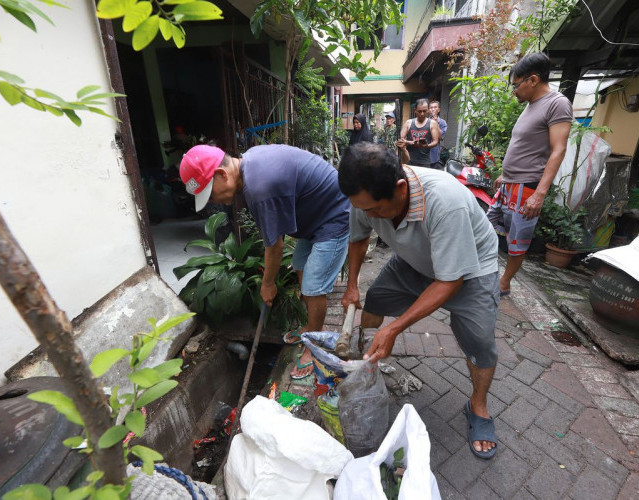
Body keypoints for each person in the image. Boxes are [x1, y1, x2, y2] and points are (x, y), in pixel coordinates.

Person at [338, 142, 501, 459]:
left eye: (374, 210)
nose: (367, 215)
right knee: (375, 300)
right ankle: (367, 366)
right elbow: (358, 238)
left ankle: (478, 407)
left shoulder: (445, 201)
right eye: (362, 209)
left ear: (400, 188)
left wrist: (395, 329)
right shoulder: (364, 199)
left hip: (470, 269)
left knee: (479, 341)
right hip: (414, 259)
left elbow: (450, 280)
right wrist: (352, 286)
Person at [180, 144, 350, 380]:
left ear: (221, 174)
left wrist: (268, 283)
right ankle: (309, 329)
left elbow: (275, 245)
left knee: (313, 288)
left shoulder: (259, 187)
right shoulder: (250, 165)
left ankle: (315, 346)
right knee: (301, 268)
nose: (212, 200)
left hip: (334, 215)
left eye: (210, 193)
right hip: (314, 218)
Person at [487, 53, 572, 296]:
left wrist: (540, 194)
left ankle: (504, 283)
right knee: (484, 225)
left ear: (533, 80)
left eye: (516, 85)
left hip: (528, 189)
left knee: (517, 241)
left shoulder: (557, 103)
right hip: (509, 184)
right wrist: (506, 175)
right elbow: (525, 147)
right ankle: (483, 271)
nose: (514, 91)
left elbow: (559, 149)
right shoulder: (531, 106)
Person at [396, 98, 440, 167]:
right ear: (415, 110)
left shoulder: (432, 123)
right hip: (408, 160)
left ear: (428, 110)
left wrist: (426, 146)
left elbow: (435, 141)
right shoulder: (408, 123)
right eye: (419, 111)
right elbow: (400, 140)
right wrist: (409, 142)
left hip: (424, 161)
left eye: (424, 111)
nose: (422, 114)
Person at [428, 100, 447, 169]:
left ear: (438, 110)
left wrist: (436, 123)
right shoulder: (425, 121)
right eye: (431, 107)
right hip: (423, 153)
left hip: (434, 154)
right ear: (428, 110)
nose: (433, 109)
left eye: (435, 107)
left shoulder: (442, 122)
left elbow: (441, 137)